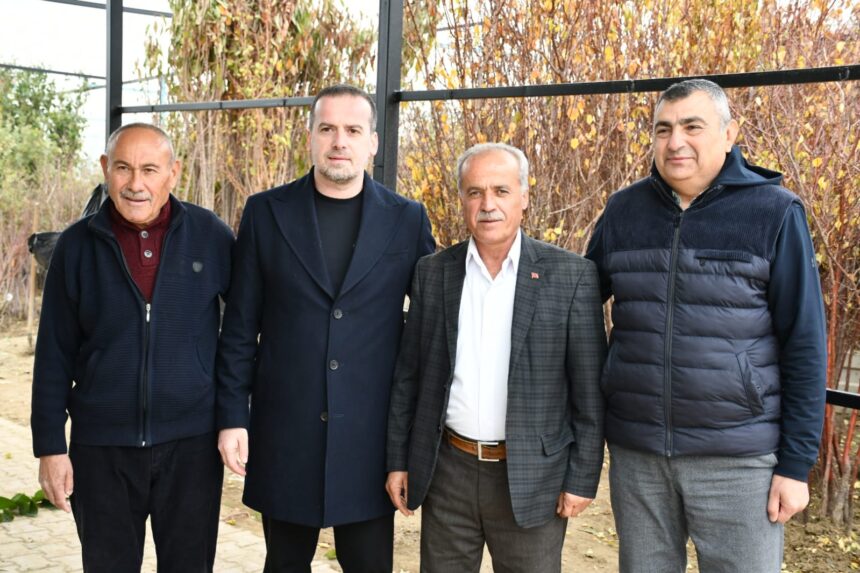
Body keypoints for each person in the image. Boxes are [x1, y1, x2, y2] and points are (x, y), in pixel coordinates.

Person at [585, 79, 827, 572]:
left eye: (692, 127)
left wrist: (796, 464)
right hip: (638, 454)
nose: (676, 142)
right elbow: (579, 301)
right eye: (663, 129)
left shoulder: (774, 212)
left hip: (738, 458)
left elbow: (804, 342)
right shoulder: (624, 210)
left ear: (729, 133)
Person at [216, 84, 436, 573]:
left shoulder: (407, 219)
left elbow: (428, 327)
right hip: (285, 433)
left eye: (353, 130)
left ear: (372, 142)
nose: (340, 141)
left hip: (370, 441)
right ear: (311, 137)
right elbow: (239, 328)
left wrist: (415, 438)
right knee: (284, 564)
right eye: (328, 129)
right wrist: (233, 417)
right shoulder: (266, 213)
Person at [386, 142, 607, 572]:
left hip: (532, 477)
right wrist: (398, 461)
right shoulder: (432, 273)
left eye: (501, 191)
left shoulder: (572, 276)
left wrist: (582, 478)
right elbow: (408, 378)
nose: (488, 204)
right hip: (447, 471)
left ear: (523, 197)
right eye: (475, 192)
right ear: (462, 200)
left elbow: (589, 393)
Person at [31, 123, 234, 572]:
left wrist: (235, 418)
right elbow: (53, 355)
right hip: (101, 450)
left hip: (192, 448)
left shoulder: (211, 236)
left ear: (173, 173)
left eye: (149, 170)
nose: (135, 183)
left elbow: (240, 334)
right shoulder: (75, 247)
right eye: (123, 168)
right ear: (106, 169)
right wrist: (50, 447)